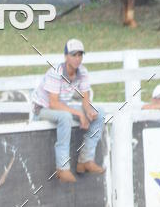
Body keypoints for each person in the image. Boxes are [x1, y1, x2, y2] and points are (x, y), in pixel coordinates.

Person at [31, 39, 105, 184]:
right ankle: (62, 168)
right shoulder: (55, 72)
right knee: (65, 117)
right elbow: (53, 103)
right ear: (66, 56)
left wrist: (88, 111)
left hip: (60, 106)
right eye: (73, 55)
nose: (77, 59)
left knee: (100, 113)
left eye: (80, 55)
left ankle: (86, 160)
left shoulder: (82, 71)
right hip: (42, 108)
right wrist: (79, 113)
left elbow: (85, 95)